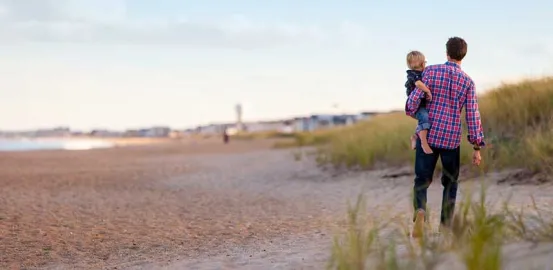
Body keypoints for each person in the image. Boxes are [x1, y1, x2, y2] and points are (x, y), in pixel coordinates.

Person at [405, 37, 485, 238]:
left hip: (429, 135)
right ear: (463, 55)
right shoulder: (468, 82)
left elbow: (412, 102)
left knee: (421, 180)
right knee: (450, 182)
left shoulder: (430, 71)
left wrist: (413, 109)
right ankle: (446, 225)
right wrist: (476, 147)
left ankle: (420, 211)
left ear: (446, 53)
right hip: (451, 139)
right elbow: (473, 115)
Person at [404, 51, 434, 154]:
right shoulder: (412, 74)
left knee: (426, 120)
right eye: (418, 62)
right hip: (416, 105)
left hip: (422, 104)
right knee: (424, 117)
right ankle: (423, 143)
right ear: (410, 64)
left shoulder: (423, 72)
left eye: (422, 62)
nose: (422, 64)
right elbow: (418, 84)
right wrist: (427, 91)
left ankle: (415, 137)